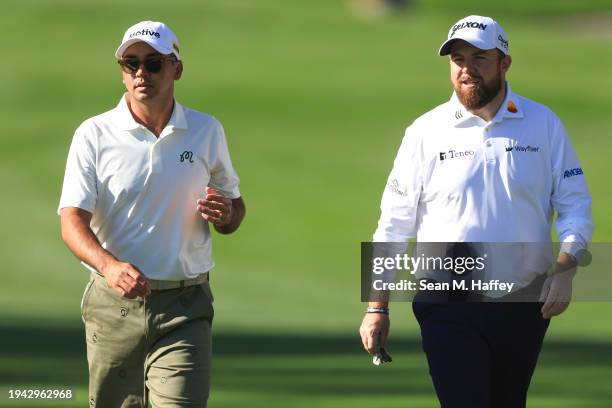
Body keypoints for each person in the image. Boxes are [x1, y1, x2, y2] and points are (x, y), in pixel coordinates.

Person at [359, 15, 593, 408]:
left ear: (505, 63)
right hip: (445, 299)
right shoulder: (425, 131)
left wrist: (567, 267)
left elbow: (575, 205)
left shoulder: (542, 124)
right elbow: (394, 224)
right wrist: (376, 306)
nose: (466, 69)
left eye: (479, 58)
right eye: (458, 59)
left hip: (524, 302)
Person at [58, 20, 245, 407]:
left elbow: (235, 208)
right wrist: (110, 267)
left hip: (184, 305)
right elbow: (71, 220)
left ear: (176, 68)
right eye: (131, 64)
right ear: (123, 72)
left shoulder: (205, 130)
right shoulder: (94, 134)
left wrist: (225, 213)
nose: (141, 72)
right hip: (112, 307)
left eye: (154, 63)